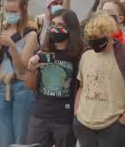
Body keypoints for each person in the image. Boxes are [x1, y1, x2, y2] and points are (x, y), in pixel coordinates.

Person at [74, 12, 125, 147]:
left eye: (97, 37)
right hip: (85, 125)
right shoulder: (86, 55)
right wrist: (78, 112)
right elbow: (82, 85)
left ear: (109, 34)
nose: (93, 40)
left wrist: (124, 120)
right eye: (90, 37)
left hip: (114, 127)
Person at [25, 9, 84, 147]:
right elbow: (30, 86)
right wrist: (31, 69)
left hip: (65, 118)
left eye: (61, 25)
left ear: (71, 29)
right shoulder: (41, 52)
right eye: (53, 24)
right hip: (40, 115)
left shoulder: (79, 55)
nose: (55, 29)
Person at [0, 0, 39, 146]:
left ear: (24, 9)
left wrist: (11, 46)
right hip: (0, 86)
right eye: (7, 11)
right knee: (3, 135)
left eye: (14, 12)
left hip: (22, 87)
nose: (10, 15)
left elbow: (22, 68)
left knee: (21, 136)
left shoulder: (31, 34)